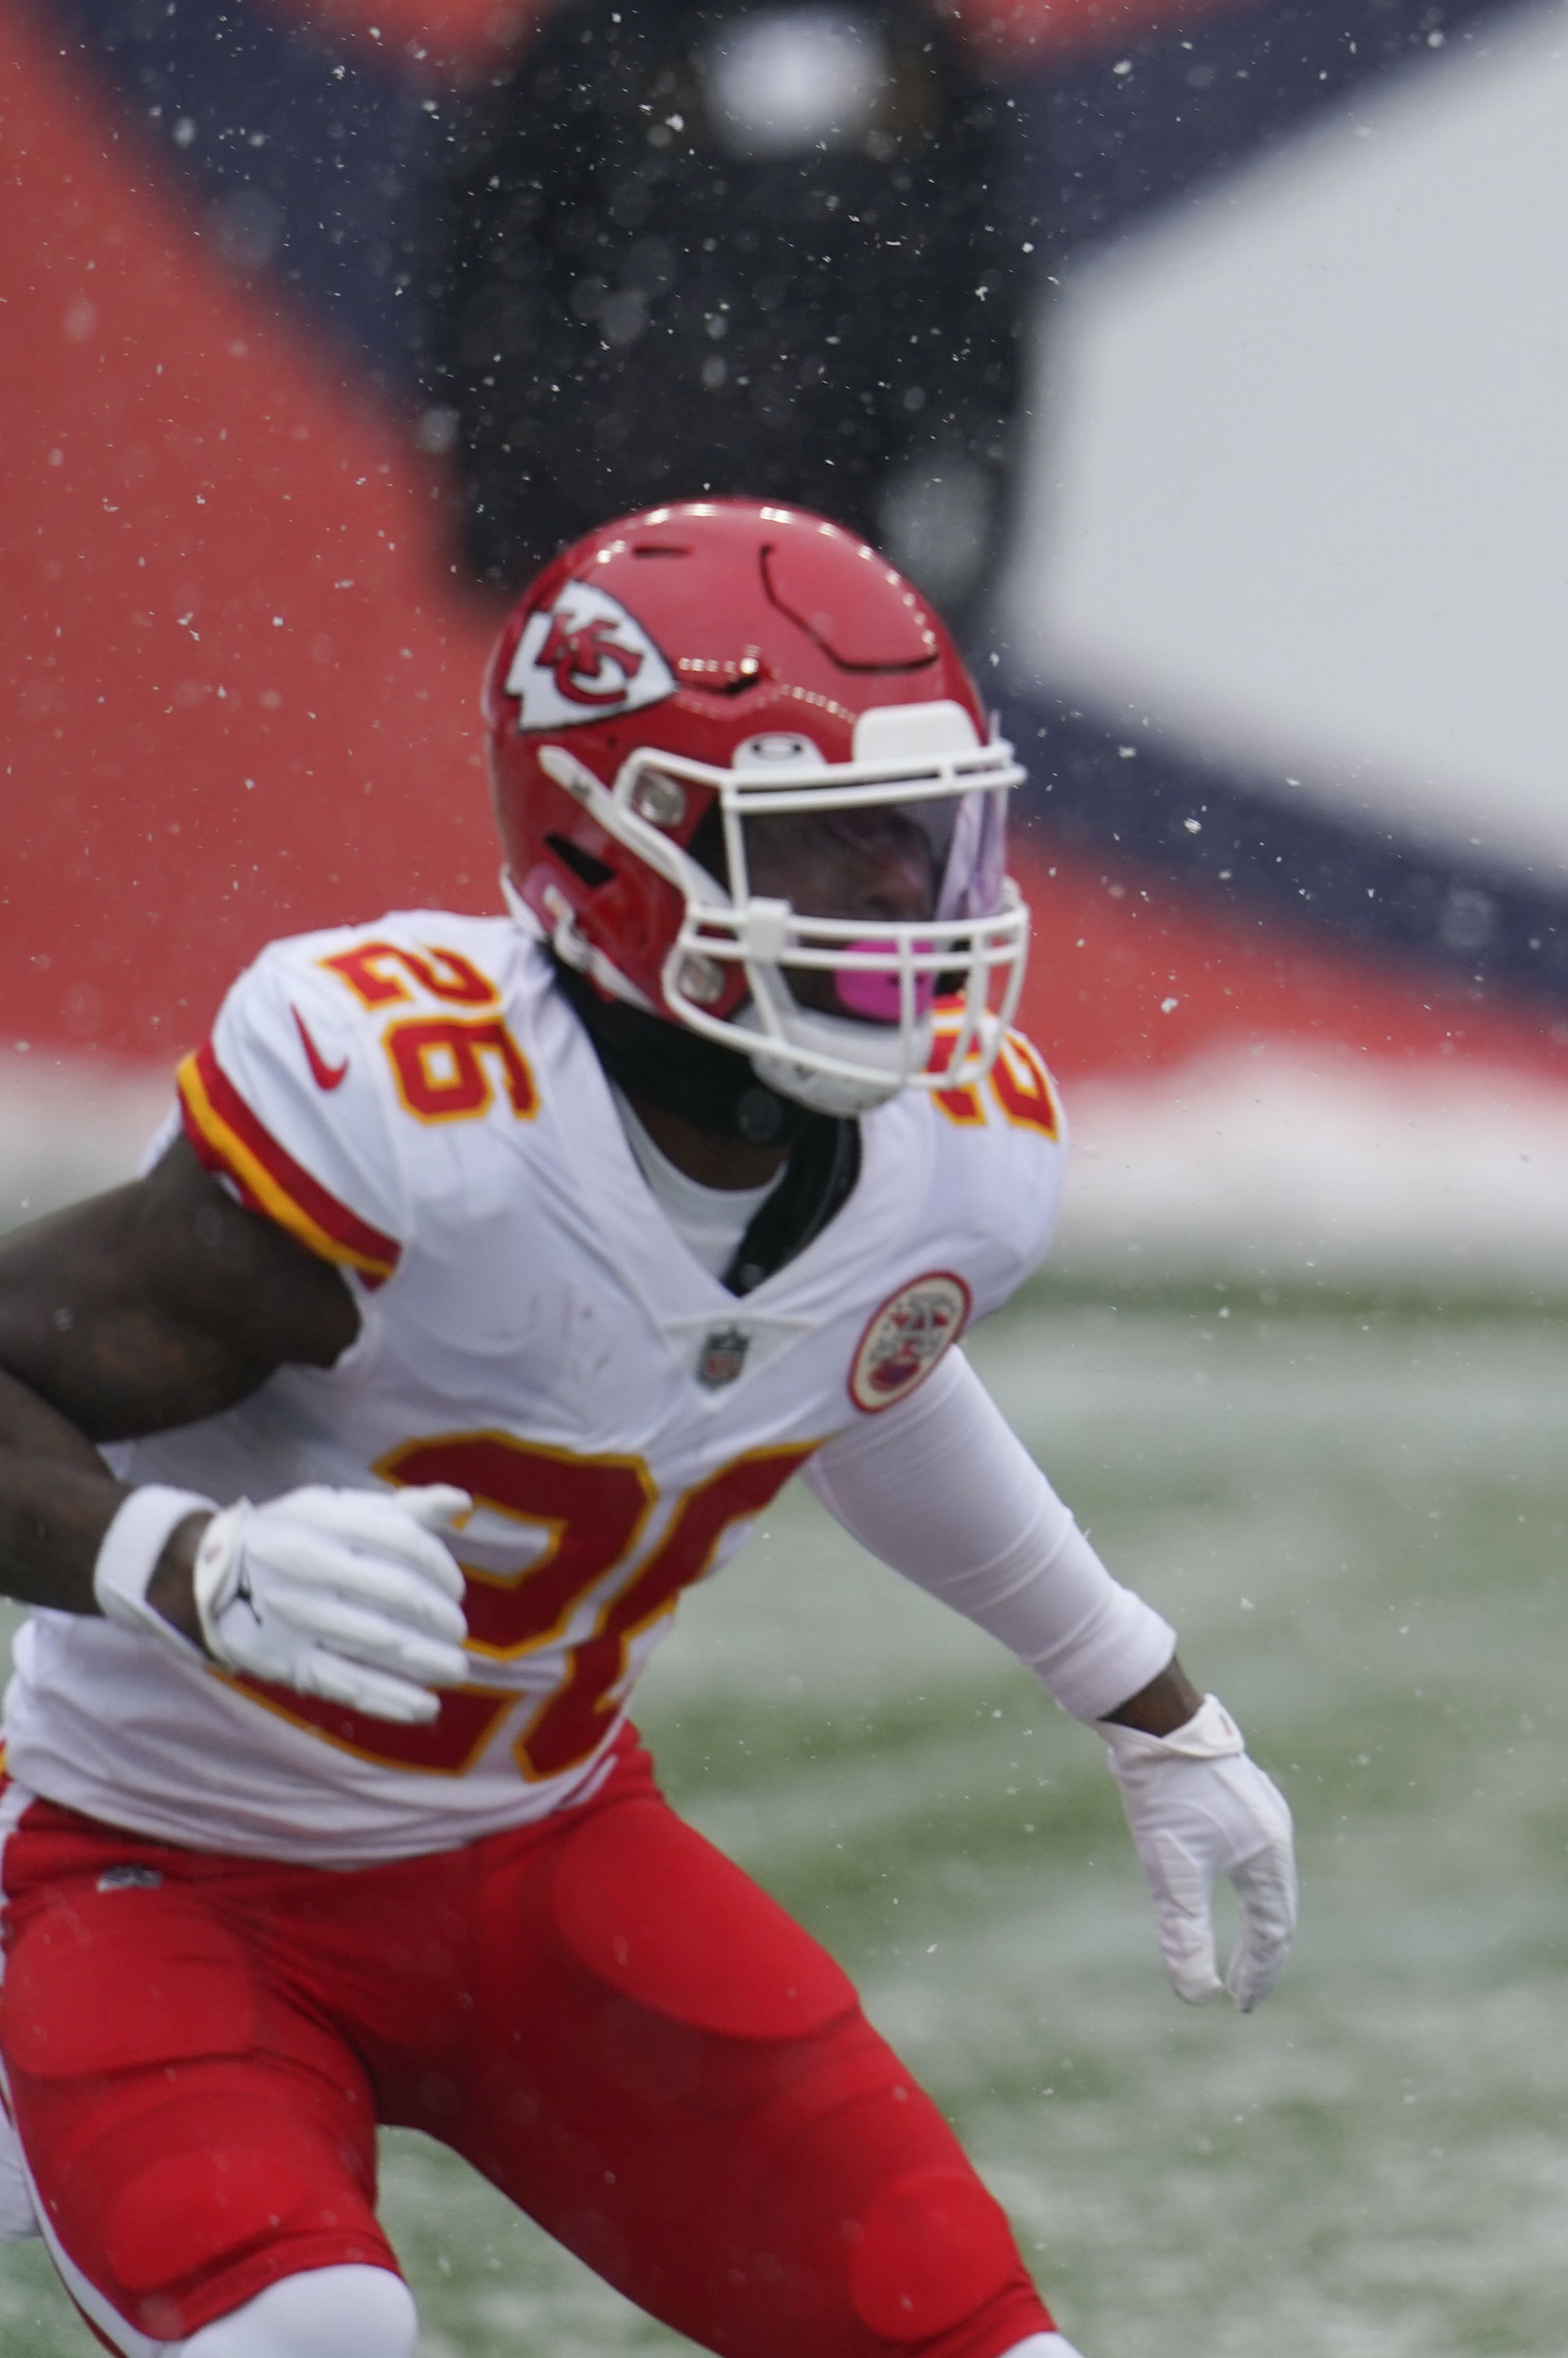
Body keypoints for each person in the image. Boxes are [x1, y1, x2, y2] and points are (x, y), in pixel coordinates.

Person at [0, 502, 1293, 2358]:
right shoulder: (413, 1114)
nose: (902, 908)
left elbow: (863, 1368)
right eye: (827, 850)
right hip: (167, 1859)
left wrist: (1149, 1698)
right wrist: (172, 1559)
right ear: (610, 851)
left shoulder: (957, 1154)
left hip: (539, 1854)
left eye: (919, 839)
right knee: (312, 2337)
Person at [429, 0, 1019, 612]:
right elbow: (494, 263)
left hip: (836, 557)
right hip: (630, 550)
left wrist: (957, 491)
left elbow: (982, 290)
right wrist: (517, 496)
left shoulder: (911, 42)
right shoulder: (600, 33)